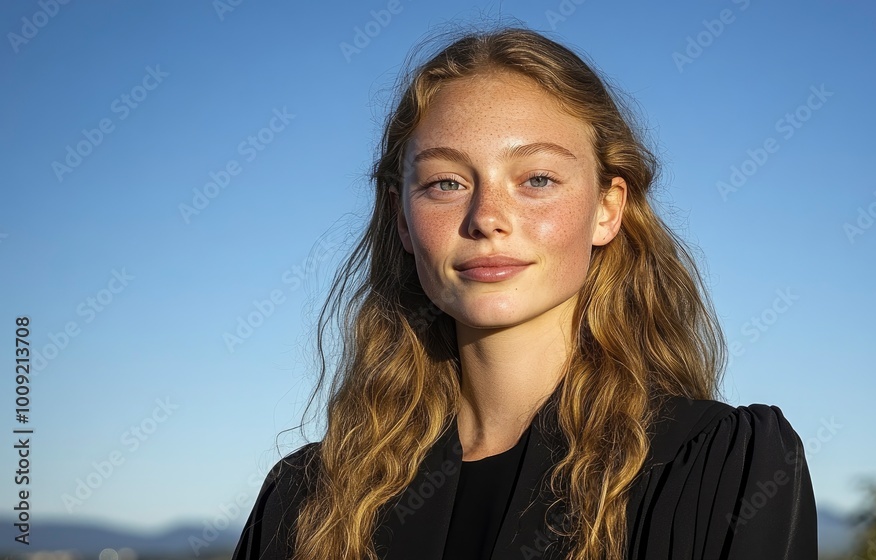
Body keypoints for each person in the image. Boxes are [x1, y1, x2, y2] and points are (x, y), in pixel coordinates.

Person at [232, 23, 818, 560]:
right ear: (403, 221)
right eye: (446, 182)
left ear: (607, 209)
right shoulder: (306, 503)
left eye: (537, 178)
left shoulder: (718, 467)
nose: (487, 217)